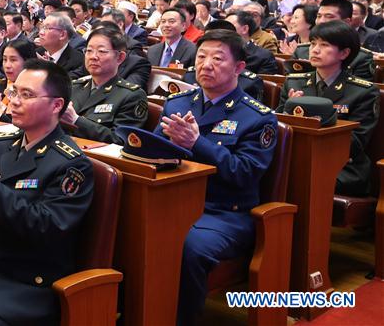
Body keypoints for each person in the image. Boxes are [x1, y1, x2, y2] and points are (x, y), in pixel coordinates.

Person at [0, 59, 93, 326]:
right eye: (14, 92)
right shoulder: (0, 146)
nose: (14, 101)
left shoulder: (71, 164)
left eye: (27, 95)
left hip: (24, 282)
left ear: (57, 105)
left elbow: (47, 228)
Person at [155, 30, 277, 326]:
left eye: (217, 58)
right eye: (201, 57)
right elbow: (155, 152)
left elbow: (244, 173)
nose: (206, 64)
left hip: (225, 212)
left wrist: (197, 143)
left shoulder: (258, 117)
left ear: (239, 68)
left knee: (188, 247)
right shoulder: (177, 103)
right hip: (174, 201)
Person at [276, 21, 379, 196]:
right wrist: (289, 113)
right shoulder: (295, 82)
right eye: (313, 43)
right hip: (297, 159)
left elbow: (355, 142)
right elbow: (277, 126)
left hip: (343, 166)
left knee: (303, 180)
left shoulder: (362, 91)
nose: (315, 50)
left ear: (344, 53)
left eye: (324, 45)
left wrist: (310, 123)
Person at [62, 27, 149, 143]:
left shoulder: (132, 96)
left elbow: (121, 141)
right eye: (89, 51)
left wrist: (76, 120)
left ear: (120, 57)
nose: (93, 56)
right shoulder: (74, 87)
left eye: (102, 51)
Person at [289, 0, 376, 80]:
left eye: (329, 16)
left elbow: (358, 91)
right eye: (319, 16)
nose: (321, 21)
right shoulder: (301, 51)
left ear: (346, 22)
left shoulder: (361, 57)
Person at [36, 12, 85, 79]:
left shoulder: (78, 61)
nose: (41, 33)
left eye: (47, 28)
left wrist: (50, 68)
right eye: (42, 27)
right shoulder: (37, 53)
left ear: (62, 35)